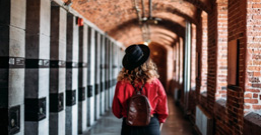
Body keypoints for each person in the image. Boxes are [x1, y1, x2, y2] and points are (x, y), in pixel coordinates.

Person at [112, 44, 168, 135]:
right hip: (151, 123)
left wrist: (125, 114)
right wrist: (160, 121)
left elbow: (116, 110)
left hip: (129, 125)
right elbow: (163, 105)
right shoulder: (154, 82)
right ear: (147, 64)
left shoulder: (122, 83)